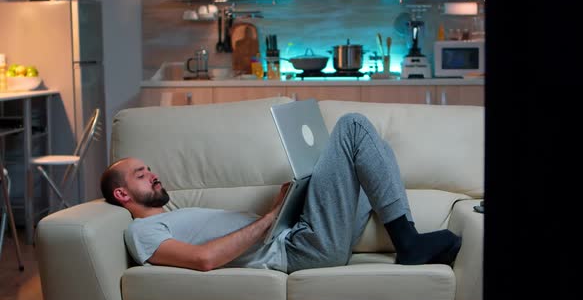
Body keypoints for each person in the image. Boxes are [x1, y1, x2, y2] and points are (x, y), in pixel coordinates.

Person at [101, 113, 461, 273]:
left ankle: (408, 240)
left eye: (149, 169)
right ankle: (409, 243)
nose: (153, 174)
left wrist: (294, 201)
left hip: (301, 235)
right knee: (352, 125)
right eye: (141, 174)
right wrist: (272, 216)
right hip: (298, 249)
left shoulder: (174, 215)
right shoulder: (143, 231)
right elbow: (204, 260)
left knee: (373, 150)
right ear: (122, 195)